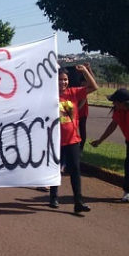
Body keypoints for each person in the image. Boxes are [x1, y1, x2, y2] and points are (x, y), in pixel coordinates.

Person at [50, 65, 97, 213]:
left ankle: (78, 202)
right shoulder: (49, 96)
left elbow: (94, 87)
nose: (62, 82)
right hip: (55, 141)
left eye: (65, 79)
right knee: (55, 169)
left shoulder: (73, 92)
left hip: (72, 140)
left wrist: (85, 71)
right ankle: (53, 197)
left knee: (75, 170)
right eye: (59, 80)